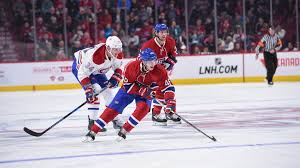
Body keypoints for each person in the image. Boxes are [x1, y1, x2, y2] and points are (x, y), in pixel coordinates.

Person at [84, 48, 176, 141]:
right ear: (143, 61)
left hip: (147, 92)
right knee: (113, 108)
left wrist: (170, 101)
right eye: (149, 61)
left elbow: (168, 88)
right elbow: (128, 87)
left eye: (154, 60)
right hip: (129, 90)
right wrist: (141, 90)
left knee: (143, 109)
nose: (152, 63)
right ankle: (93, 131)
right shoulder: (131, 67)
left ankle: (124, 131)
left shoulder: (160, 70)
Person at [72, 36, 124, 132]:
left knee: (108, 93)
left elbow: (119, 67)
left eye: (119, 49)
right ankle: (92, 123)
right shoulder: (95, 57)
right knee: (95, 91)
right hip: (81, 67)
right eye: (115, 49)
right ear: (108, 48)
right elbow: (82, 73)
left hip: (96, 70)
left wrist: (116, 76)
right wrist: (88, 89)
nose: (117, 52)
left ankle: (115, 119)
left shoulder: (117, 53)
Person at [141, 23, 180, 125]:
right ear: (156, 33)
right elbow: (141, 62)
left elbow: (173, 54)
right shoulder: (148, 46)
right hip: (150, 72)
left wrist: (171, 62)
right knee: (160, 90)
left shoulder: (170, 41)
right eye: (161, 32)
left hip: (161, 70)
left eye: (165, 32)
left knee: (168, 89)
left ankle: (169, 112)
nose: (164, 34)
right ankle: (158, 114)